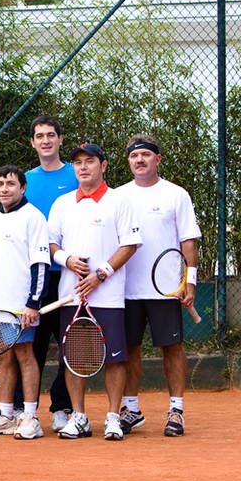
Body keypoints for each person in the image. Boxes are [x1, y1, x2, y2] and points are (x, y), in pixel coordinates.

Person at [47, 143, 141, 441]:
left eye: (90, 161)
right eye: (78, 162)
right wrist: (67, 260)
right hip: (70, 295)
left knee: (115, 358)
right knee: (73, 358)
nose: (83, 167)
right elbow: (51, 245)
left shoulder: (119, 201)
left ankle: (113, 417)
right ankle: (80, 417)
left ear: (104, 165)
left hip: (109, 295)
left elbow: (130, 244)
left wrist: (102, 274)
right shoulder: (62, 203)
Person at [118, 134, 201, 437]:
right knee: (129, 350)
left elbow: (188, 241)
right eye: (133, 156)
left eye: (145, 155)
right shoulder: (118, 196)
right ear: (128, 161)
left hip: (167, 289)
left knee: (172, 348)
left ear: (157, 159)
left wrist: (188, 282)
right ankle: (131, 410)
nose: (139, 160)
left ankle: (176, 410)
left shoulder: (176, 194)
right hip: (126, 289)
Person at [0, 166, 50, 440]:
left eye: (10, 184)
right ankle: (5, 415)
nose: (4, 189)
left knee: (25, 356)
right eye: (0, 183)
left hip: (19, 306)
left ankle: (30, 416)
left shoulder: (34, 218)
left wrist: (33, 302)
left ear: (23, 188)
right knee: (2, 356)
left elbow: (40, 264)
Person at [20, 115, 78, 432]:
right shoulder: (25, 179)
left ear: (60, 140)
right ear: (33, 142)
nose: (45, 140)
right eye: (39, 135)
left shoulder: (75, 175)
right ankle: (26, 411)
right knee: (33, 345)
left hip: (67, 275)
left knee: (68, 343)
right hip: (34, 276)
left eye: (51, 135)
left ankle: (62, 406)